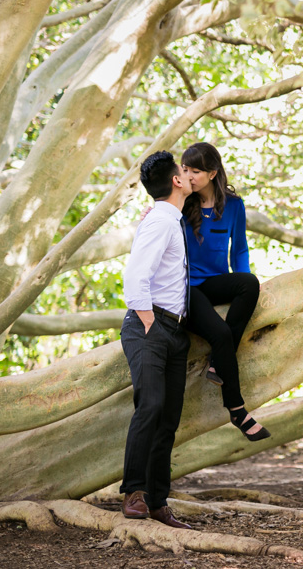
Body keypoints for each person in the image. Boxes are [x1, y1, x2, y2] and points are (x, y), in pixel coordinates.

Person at [119, 151, 193, 529]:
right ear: (177, 181)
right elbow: (135, 278)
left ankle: (158, 501)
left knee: (168, 419)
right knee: (150, 407)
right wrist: (150, 324)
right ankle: (134, 493)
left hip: (174, 331)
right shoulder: (161, 222)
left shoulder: (169, 218)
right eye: (184, 169)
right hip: (151, 326)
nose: (188, 173)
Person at [181, 142, 270, 442]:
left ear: (212, 173)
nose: (188, 175)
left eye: (195, 171)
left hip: (215, 282)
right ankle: (237, 410)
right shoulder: (179, 202)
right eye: (185, 169)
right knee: (219, 333)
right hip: (185, 287)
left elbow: (240, 250)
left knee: (249, 282)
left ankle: (221, 360)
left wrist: (240, 280)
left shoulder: (234, 206)